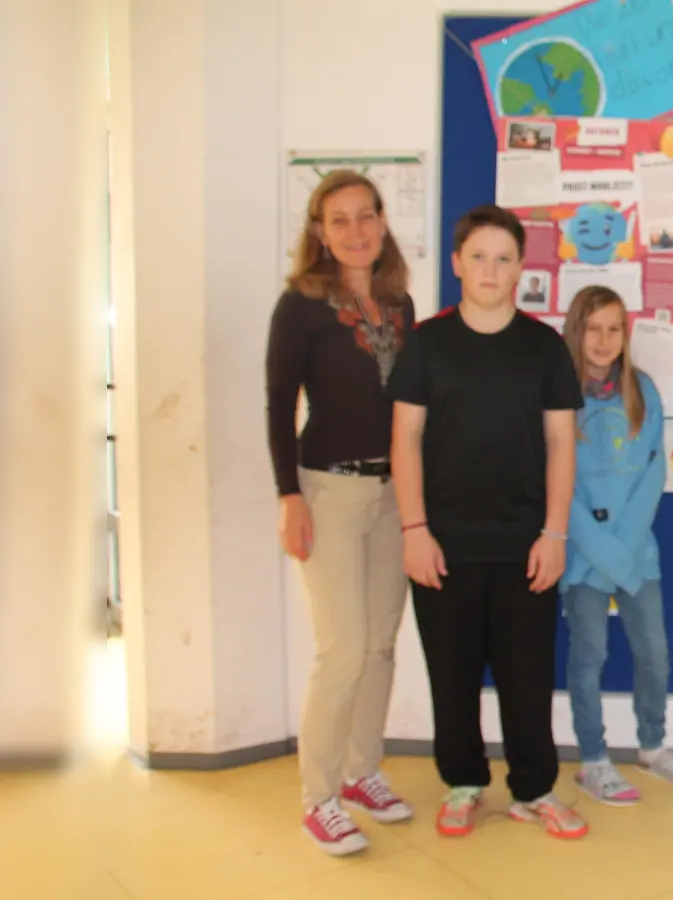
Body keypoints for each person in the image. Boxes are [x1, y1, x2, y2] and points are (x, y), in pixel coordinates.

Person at [388, 204, 589, 840]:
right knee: (451, 678)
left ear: (521, 268)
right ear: (456, 263)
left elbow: (561, 444)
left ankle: (534, 789)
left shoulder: (544, 348)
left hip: (525, 546)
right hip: (441, 545)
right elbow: (405, 439)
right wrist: (414, 530)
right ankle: (464, 784)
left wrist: (554, 534)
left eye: (503, 258)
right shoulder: (427, 344)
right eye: (478, 256)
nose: (490, 269)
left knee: (527, 679)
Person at [266, 170, 416, 855]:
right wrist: (289, 497)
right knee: (343, 651)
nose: (356, 231)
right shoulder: (300, 305)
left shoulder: (400, 303)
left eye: (366, 216)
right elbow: (279, 405)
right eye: (340, 220)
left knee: (381, 644)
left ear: (383, 223)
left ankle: (361, 773)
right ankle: (319, 797)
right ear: (320, 233)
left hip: (392, 494)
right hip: (327, 492)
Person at [560, 285, 673, 805]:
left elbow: (653, 473)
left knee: (654, 652)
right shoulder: (557, 392)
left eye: (614, 329)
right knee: (589, 655)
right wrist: (603, 552)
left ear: (626, 333)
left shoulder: (642, 390)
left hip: (637, 554)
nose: (603, 340)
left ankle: (652, 745)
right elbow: (558, 484)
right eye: (593, 329)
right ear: (576, 332)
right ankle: (593, 759)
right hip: (583, 557)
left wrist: (622, 552)